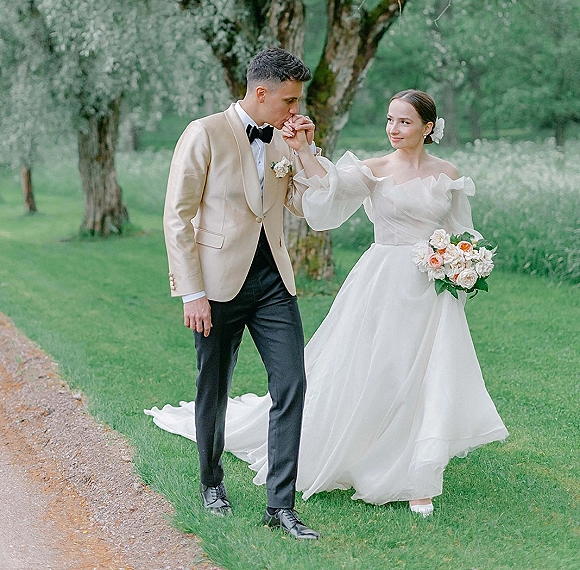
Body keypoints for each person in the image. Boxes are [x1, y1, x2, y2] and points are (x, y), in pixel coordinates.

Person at [148, 89, 507, 517]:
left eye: (405, 122)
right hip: (382, 284)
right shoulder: (373, 170)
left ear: (428, 127)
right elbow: (326, 193)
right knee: (377, 370)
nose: (393, 129)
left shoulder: (448, 173)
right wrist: (306, 152)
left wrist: (463, 262)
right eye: (390, 120)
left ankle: (418, 474)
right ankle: (360, 458)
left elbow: (461, 232)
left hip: (431, 290)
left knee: (428, 375)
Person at [154, 48, 320, 540]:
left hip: (274, 284)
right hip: (217, 285)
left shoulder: (286, 136)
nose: (294, 110)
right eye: (288, 101)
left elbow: (305, 206)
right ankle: (211, 483)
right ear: (260, 92)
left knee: (291, 385)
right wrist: (192, 293)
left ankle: (281, 506)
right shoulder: (203, 133)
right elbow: (176, 217)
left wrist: (306, 150)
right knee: (214, 387)